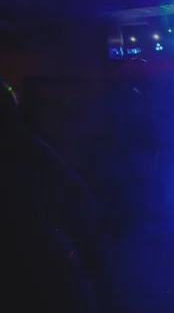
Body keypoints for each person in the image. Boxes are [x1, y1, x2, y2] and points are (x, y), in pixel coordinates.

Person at [0, 76, 105, 312]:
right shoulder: (30, 151)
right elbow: (79, 203)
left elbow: (77, 202)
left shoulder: (28, 152)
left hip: (36, 279)